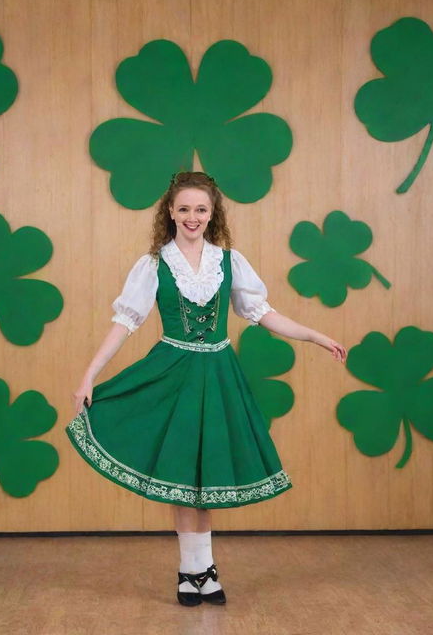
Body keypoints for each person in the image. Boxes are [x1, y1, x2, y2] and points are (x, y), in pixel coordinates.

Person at [67, 171, 346, 607]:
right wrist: (89, 374)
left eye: (201, 209)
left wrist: (314, 335)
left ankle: (204, 571)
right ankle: (190, 573)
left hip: (217, 375)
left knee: (206, 474)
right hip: (172, 372)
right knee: (181, 475)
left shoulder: (230, 261)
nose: (192, 217)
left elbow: (263, 313)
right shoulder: (154, 264)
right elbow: (125, 322)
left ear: (212, 213)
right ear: (171, 213)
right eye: (184, 209)